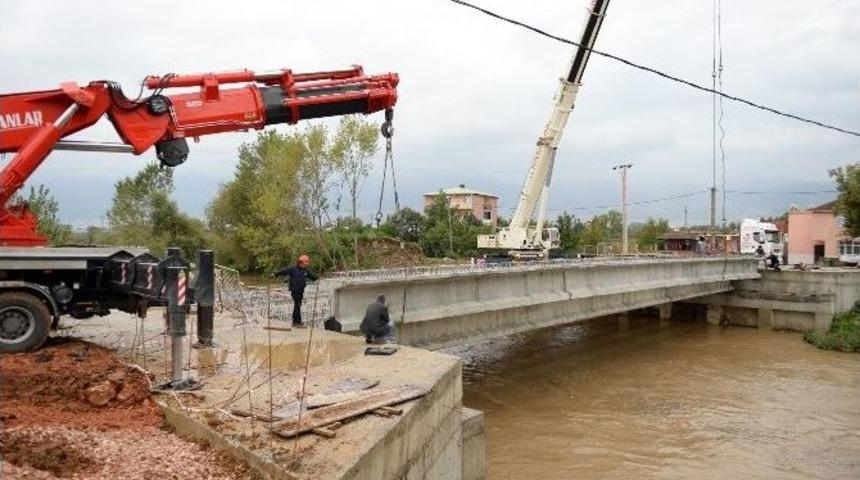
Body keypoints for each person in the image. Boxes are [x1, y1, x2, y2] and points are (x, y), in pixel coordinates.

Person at [274, 254, 318, 327]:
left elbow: (313, 277)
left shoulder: (305, 270)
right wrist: (275, 274)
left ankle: (295, 321)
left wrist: (317, 278)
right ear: (300, 262)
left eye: (306, 264)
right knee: (297, 305)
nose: (305, 265)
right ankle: (298, 322)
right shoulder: (292, 269)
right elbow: (283, 271)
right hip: (294, 290)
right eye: (304, 264)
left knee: (297, 305)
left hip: (301, 290)